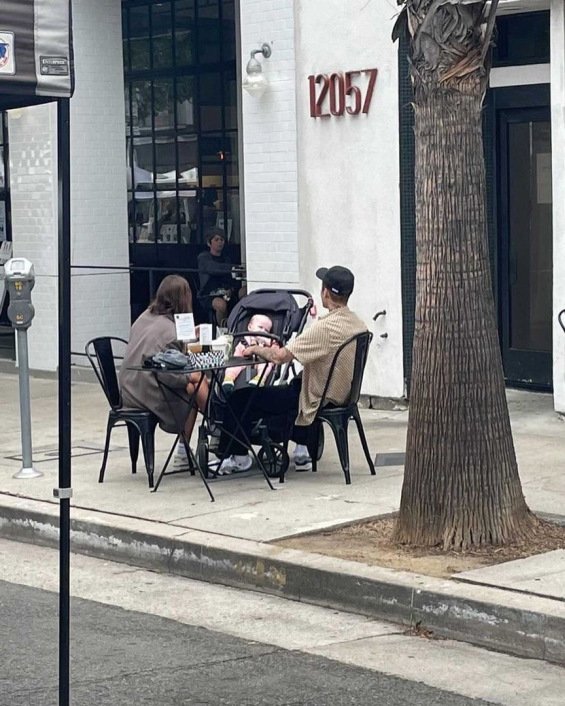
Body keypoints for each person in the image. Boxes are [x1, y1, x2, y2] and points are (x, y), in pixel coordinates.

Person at [216, 265, 367, 473]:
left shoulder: (325, 328)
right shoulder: (357, 324)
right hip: (341, 394)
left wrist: (254, 348)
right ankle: (302, 449)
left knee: (240, 398)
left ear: (325, 291)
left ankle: (237, 456)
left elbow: (280, 357)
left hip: (316, 396)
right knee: (290, 388)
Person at [119, 274, 209, 471]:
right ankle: (216, 428)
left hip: (129, 388)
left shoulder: (146, 316)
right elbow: (168, 374)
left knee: (194, 382)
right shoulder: (171, 331)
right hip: (149, 391)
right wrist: (191, 375)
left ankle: (188, 449)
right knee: (195, 384)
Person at [222, 314, 278, 394]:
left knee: (267, 364)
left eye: (266, 331)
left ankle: (260, 378)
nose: (263, 331)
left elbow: (275, 349)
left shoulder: (268, 341)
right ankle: (229, 378)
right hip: (244, 359)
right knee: (234, 365)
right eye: (260, 327)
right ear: (250, 327)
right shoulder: (246, 338)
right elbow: (243, 352)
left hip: (261, 360)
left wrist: (267, 341)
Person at [197, 227, 242, 326]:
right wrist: (233, 268)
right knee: (221, 305)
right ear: (209, 243)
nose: (220, 242)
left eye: (222, 240)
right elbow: (213, 268)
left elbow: (231, 279)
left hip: (226, 293)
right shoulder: (203, 257)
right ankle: (222, 329)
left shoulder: (226, 259)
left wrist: (231, 289)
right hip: (208, 294)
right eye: (216, 240)